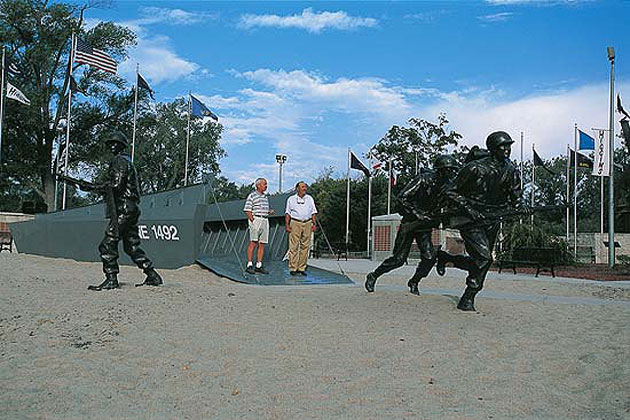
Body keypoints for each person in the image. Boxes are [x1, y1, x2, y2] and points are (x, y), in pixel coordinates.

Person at [60, 131, 163, 291]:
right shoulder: (127, 161)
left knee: (107, 244)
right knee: (131, 246)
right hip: (130, 208)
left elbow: (116, 186)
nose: (110, 147)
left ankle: (111, 279)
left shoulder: (119, 161)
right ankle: (152, 275)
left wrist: (91, 187)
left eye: (113, 144)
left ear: (120, 145)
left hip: (123, 208)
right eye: (109, 144)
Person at [440, 131, 522, 311]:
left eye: (509, 145)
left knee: (480, 260)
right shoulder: (475, 168)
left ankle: (448, 259)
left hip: (492, 220)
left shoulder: (511, 170)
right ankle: (469, 295)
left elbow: (515, 195)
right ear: (493, 148)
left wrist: (517, 205)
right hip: (471, 220)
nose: (507, 149)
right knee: (485, 258)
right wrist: (469, 209)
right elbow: (449, 191)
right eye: (503, 146)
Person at [365, 154, 459, 295]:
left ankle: (414, 281)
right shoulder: (422, 180)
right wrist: (418, 213)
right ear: (441, 170)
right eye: (449, 170)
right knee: (398, 260)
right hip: (410, 223)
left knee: (429, 258)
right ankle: (373, 275)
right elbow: (402, 198)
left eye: (453, 170)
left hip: (424, 227)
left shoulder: (446, 186)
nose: (452, 173)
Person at [285, 181, 318, 276]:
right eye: (303, 187)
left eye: (305, 187)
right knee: (294, 246)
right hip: (295, 222)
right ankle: (293, 268)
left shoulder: (310, 198)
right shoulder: (291, 199)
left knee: (305, 246)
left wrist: (314, 224)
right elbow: (287, 213)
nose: (305, 189)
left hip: (307, 223)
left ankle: (301, 268)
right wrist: (287, 225)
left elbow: (313, 212)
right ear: (297, 188)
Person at [244, 178, 274, 274]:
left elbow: (263, 210)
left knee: (262, 243)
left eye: (266, 184)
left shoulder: (265, 197)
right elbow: (247, 210)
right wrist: (253, 220)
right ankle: (249, 264)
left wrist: (269, 212)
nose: (266, 186)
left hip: (265, 219)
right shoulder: (252, 195)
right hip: (256, 220)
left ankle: (259, 265)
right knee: (253, 242)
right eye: (264, 184)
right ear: (258, 185)